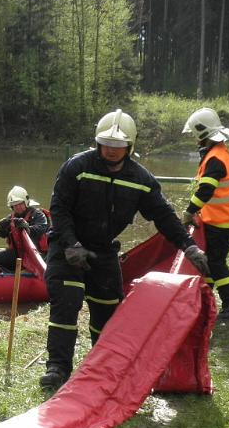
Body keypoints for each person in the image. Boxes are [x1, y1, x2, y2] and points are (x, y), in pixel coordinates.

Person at [40, 109, 210, 391]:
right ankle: (58, 368)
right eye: (107, 145)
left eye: (118, 146)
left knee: (107, 312)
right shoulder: (76, 168)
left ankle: (102, 368)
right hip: (67, 247)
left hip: (104, 251)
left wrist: (189, 247)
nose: (111, 151)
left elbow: (163, 216)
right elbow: (59, 209)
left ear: (130, 147)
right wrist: (71, 245)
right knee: (66, 305)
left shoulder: (140, 179)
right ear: (97, 143)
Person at [181, 107, 229, 322]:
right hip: (222, 219)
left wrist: (189, 211)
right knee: (211, 261)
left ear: (202, 133)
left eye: (194, 134)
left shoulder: (215, 159)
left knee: (216, 263)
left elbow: (206, 190)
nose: (193, 139)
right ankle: (204, 300)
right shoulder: (217, 152)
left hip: (221, 221)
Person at [0, 186, 49, 272]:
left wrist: (27, 228)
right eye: (15, 205)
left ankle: (24, 273)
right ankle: (11, 275)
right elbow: (0, 234)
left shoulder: (38, 215)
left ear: (26, 202)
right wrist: (2, 227)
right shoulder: (11, 217)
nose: (18, 207)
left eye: (20, 204)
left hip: (37, 254)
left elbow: (41, 228)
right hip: (20, 253)